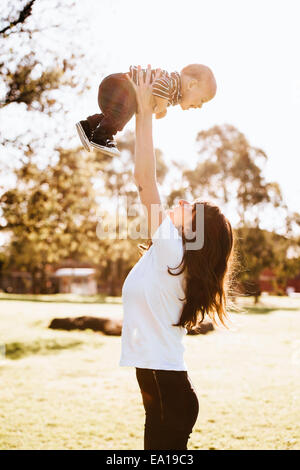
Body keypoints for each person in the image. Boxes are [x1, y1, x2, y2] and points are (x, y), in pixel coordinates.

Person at [119, 65, 236, 450]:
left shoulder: (173, 250)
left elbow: (145, 180)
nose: (181, 201)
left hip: (170, 396)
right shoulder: (168, 255)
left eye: (191, 206)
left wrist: (143, 111)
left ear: (193, 232)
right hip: (164, 393)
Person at [76, 63, 216, 157]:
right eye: (202, 100)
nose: (200, 106)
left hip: (116, 92)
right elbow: (160, 85)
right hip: (119, 85)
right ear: (191, 85)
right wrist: (161, 107)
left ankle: (88, 126)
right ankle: (101, 137)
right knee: (124, 111)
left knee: (120, 113)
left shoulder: (175, 94)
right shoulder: (174, 82)